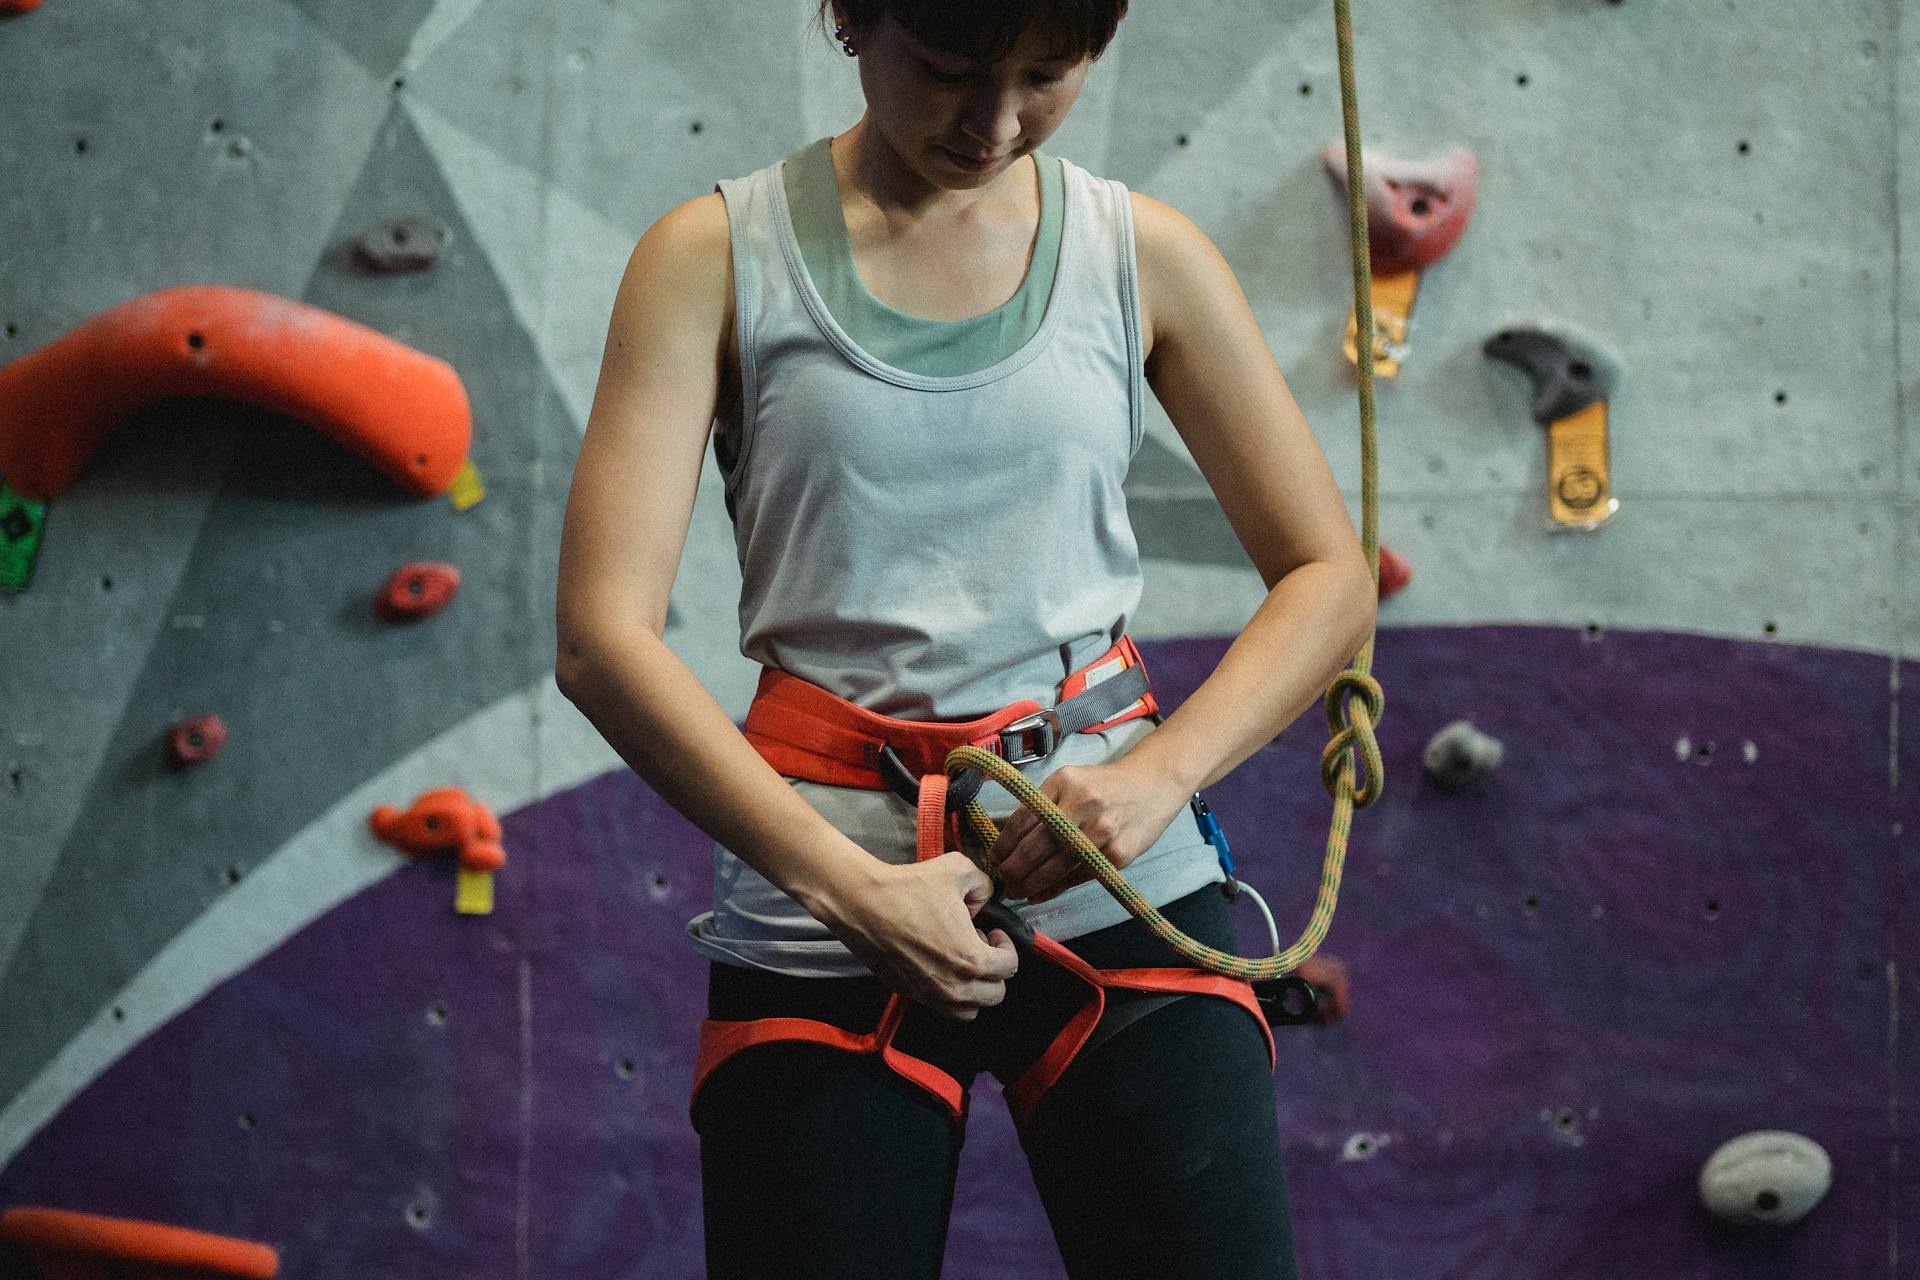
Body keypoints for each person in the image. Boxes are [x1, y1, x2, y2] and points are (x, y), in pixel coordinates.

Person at [555, 1, 1375, 1276]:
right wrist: (847, 888)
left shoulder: (1137, 253)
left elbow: (1328, 574)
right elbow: (604, 637)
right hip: (825, 873)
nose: (995, 122)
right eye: (948, 69)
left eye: (1049, 75)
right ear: (848, 14)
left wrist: (1160, 777)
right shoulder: (713, 256)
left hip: (1112, 861)